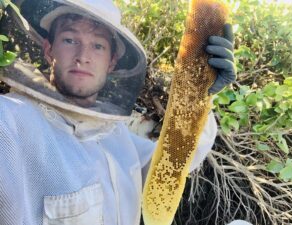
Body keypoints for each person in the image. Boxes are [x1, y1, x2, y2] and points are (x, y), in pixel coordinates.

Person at [0, 0, 237, 225]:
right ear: (49, 49)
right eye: (70, 40)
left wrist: (201, 95)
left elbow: (174, 162)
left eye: (98, 45)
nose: (83, 56)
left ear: (111, 61)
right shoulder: (11, 122)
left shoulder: (117, 136)